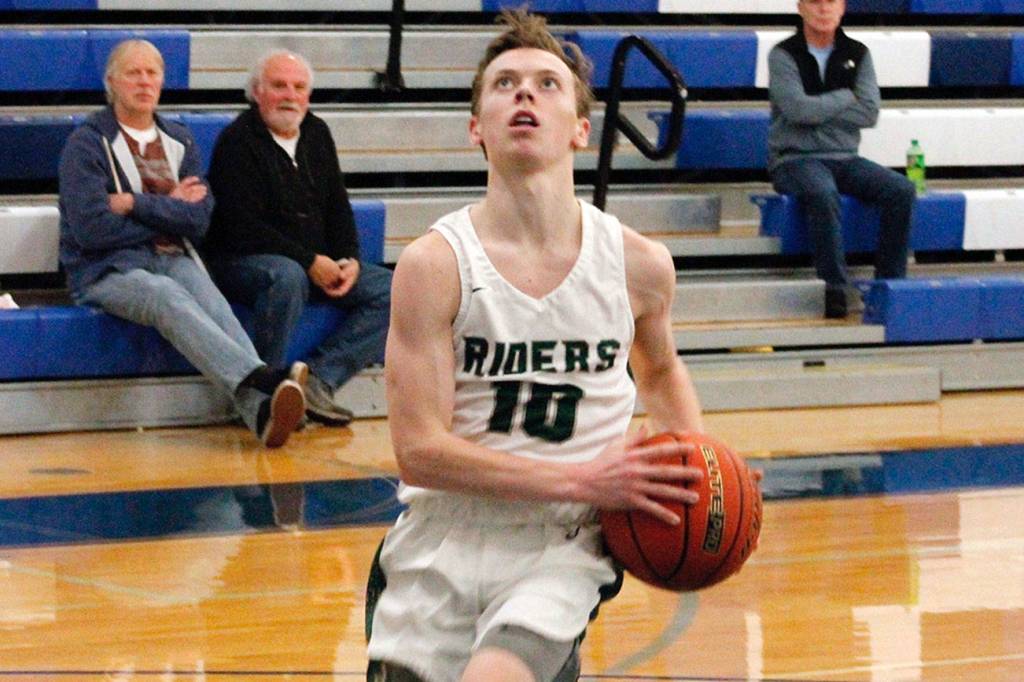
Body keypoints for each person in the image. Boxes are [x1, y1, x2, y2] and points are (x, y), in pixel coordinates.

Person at [365, 10, 705, 681]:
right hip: (442, 536)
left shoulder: (639, 265)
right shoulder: (435, 265)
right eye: (505, 83)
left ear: (580, 128)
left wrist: (703, 467)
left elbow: (661, 371)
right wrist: (587, 478)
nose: (524, 92)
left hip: (564, 540)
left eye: (548, 84)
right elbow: (420, 451)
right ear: (476, 128)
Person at [58, 39, 306, 448]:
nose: (144, 81)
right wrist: (168, 208)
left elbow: (198, 220)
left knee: (213, 304)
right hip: (105, 269)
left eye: (152, 73)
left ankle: (261, 414)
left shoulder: (178, 139)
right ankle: (262, 377)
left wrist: (134, 203)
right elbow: (93, 231)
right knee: (164, 295)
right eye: (133, 73)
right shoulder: (86, 144)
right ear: (111, 83)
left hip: (173, 257)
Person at [204, 50, 392, 427]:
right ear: (257, 92)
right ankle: (261, 397)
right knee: (286, 277)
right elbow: (242, 227)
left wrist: (349, 259)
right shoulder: (237, 141)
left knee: (396, 290)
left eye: (299, 87)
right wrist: (309, 262)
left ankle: (316, 381)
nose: (290, 96)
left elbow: (338, 206)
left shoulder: (317, 132)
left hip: (311, 262)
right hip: (241, 262)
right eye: (279, 86)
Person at [768, 0, 916, 318]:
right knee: (823, 192)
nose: (824, 9)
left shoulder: (858, 53)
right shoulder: (783, 54)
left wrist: (818, 109)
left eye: (831, 2)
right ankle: (834, 289)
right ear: (800, 7)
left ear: (843, 8)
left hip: (845, 157)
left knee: (901, 189)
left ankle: (888, 286)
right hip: (794, 159)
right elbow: (797, 110)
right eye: (815, 2)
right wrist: (845, 97)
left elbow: (869, 112)